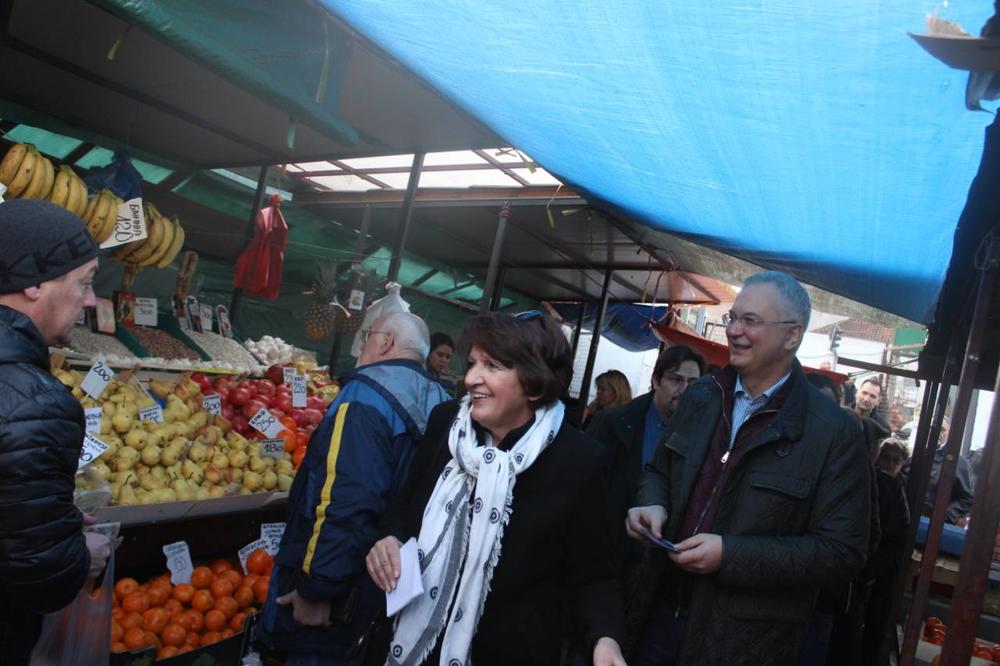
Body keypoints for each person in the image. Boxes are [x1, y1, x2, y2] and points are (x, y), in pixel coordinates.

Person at [625, 270, 870, 666]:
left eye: (750, 321)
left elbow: (841, 552)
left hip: (743, 644)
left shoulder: (833, 432)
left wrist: (730, 556)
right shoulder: (703, 395)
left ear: (793, 335)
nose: (734, 331)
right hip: (658, 617)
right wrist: (652, 505)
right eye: (732, 318)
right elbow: (658, 472)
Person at [366, 311, 626, 666]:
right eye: (472, 363)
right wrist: (389, 539)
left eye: (492, 366)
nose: (472, 378)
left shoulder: (578, 462)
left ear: (534, 383)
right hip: (407, 645)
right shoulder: (445, 423)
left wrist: (605, 640)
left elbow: (594, 574)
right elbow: (404, 503)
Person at [259, 311, 450, 664]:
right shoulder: (441, 401)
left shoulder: (364, 395)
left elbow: (345, 501)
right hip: (391, 588)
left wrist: (317, 588)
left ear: (386, 341)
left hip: (341, 596)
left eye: (366, 335)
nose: (359, 346)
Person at [0, 200, 112, 665]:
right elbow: (39, 576)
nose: (90, 301)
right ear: (34, 283)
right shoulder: (37, 402)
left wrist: (50, 522)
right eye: (84, 283)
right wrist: (78, 551)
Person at [587, 347, 705, 563]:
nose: (684, 389)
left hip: (663, 559)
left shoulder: (704, 433)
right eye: (676, 379)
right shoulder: (613, 422)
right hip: (607, 553)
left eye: (693, 382)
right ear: (656, 381)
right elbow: (587, 487)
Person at [863, 437, 910, 666]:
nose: (890, 465)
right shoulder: (871, 481)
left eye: (896, 461)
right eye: (886, 458)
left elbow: (897, 536)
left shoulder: (899, 489)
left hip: (878, 573)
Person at [917, 416, 975, 525]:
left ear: (949, 433)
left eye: (942, 429)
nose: (936, 432)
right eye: (931, 428)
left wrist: (944, 515)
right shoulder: (919, 454)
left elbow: (967, 498)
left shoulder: (958, 462)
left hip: (935, 526)